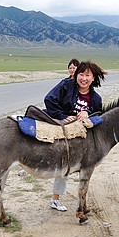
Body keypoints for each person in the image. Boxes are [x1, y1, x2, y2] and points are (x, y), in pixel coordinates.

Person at [43, 60, 106, 211]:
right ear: (76, 75)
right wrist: (62, 116)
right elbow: (49, 100)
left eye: (87, 75)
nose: (84, 78)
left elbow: (98, 115)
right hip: (60, 125)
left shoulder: (96, 99)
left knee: (73, 163)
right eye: (81, 74)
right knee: (64, 159)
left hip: (79, 135)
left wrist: (88, 112)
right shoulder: (66, 86)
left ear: (93, 78)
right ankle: (56, 198)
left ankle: (59, 199)